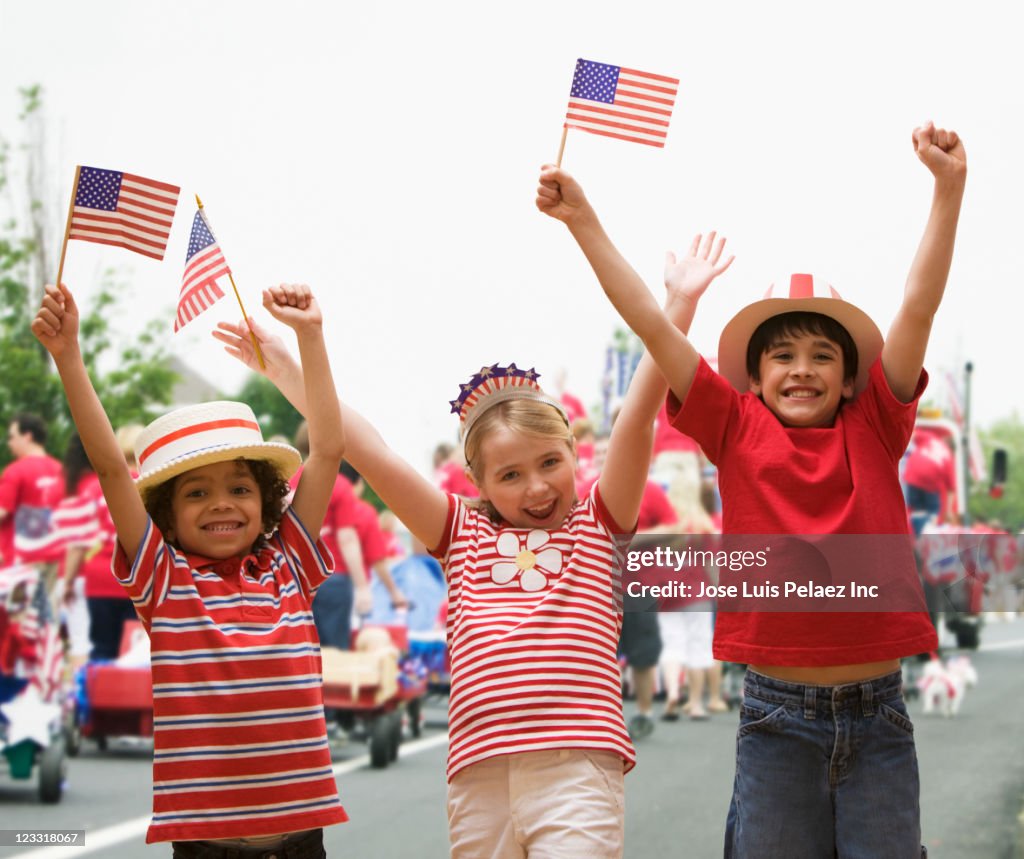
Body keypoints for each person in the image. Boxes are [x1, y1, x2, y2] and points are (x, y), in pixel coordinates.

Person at [213, 226, 732, 858]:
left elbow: (638, 411)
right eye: (510, 475)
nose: (537, 487)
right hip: (477, 774)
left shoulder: (598, 518)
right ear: (477, 481)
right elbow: (366, 448)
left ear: (575, 454)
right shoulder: (459, 530)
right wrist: (287, 360)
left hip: (575, 769)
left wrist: (678, 305)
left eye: (550, 462)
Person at [537, 120, 965, 858]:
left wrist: (948, 190)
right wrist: (584, 221)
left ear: (852, 374)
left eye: (822, 355)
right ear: (756, 375)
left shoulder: (877, 422)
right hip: (775, 719)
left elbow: (918, 306)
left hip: (879, 717)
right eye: (783, 356)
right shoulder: (733, 425)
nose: (802, 370)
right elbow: (647, 321)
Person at [33, 281, 347, 856]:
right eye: (197, 492)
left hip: (303, 843)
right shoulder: (165, 579)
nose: (222, 502)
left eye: (240, 487)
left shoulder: (289, 564)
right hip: (207, 848)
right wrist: (69, 357)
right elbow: (109, 469)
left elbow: (327, 448)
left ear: (268, 498)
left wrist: (310, 336)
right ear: (167, 520)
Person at [0, 412, 64, 567]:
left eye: (12, 437)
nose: (10, 443)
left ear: (27, 436)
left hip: (19, 561)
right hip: (56, 559)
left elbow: (2, 511)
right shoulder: (62, 470)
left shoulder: (15, 471)